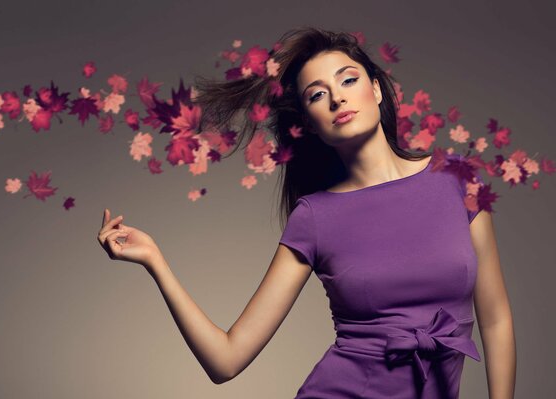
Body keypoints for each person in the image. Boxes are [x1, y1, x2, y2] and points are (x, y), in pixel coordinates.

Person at [96, 27, 516, 398]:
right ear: (310, 123)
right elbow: (225, 361)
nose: (337, 97)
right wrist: (155, 261)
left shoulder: (458, 180)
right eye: (317, 94)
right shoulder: (316, 217)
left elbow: (494, 319)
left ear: (376, 89)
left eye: (348, 80)